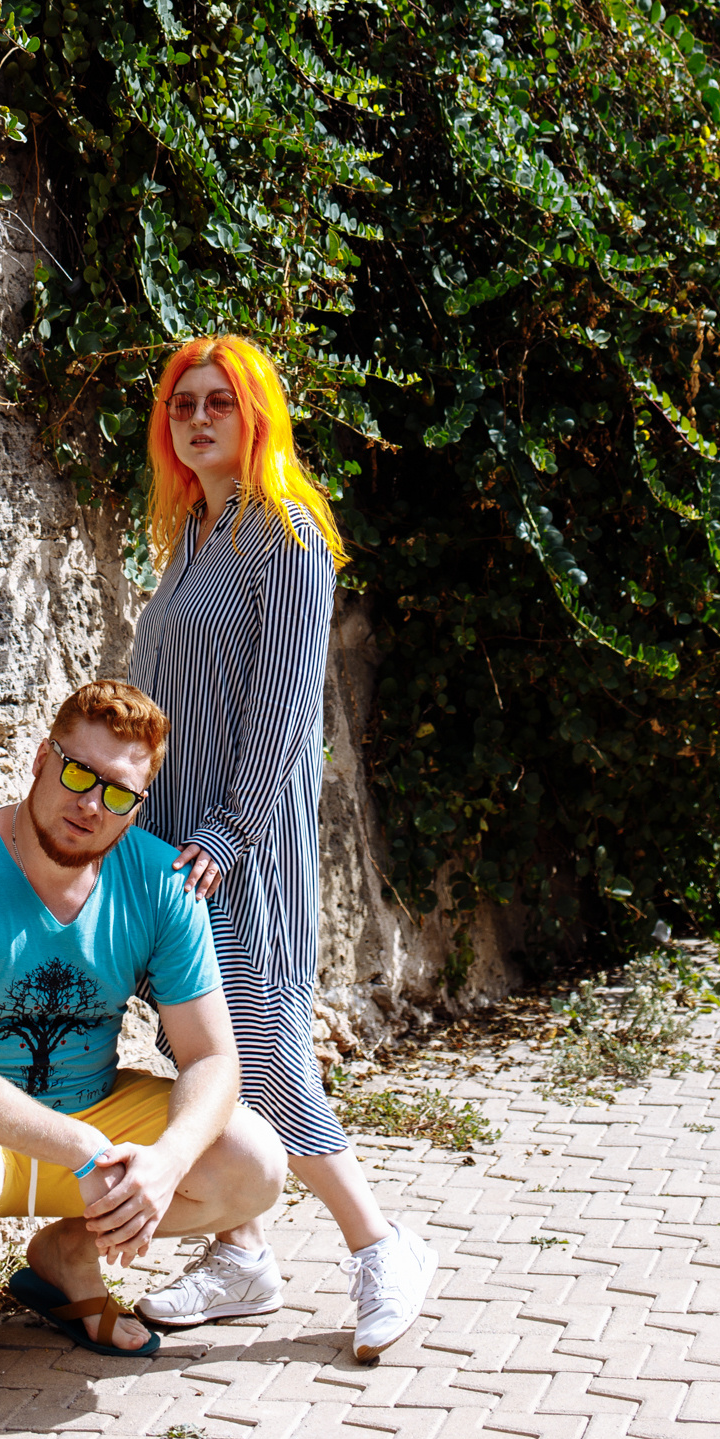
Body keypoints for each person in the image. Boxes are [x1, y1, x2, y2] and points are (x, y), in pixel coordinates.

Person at [127, 334, 435, 1363]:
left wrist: (232, 826)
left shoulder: (287, 537)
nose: (198, 418)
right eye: (182, 404)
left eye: (219, 401)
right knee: (190, 1045)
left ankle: (378, 1242)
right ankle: (241, 1255)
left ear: (256, 415)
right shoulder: (192, 539)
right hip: (170, 841)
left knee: (259, 1044)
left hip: (237, 841)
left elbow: (288, 706)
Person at [0, 677, 287, 1402]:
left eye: (117, 792)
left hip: (91, 1112)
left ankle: (66, 1255)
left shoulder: (160, 883)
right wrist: (84, 1152)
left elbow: (214, 1057)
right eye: (77, 773)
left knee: (254, 1164)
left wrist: (165, 1162)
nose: (90, 804)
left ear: (138, 805)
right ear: (40, 759)